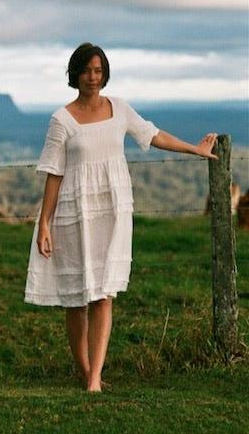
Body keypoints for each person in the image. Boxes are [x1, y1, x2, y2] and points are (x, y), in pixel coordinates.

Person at [24, 42, 218, 393]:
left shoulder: (120, 109)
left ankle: (95, 378)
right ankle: (85, 371)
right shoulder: (61, 119)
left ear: (105, 73)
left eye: (98, 71)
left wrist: (196, 149)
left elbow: (152, 135)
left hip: (112, 210)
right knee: (76, 297)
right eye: (86, 71)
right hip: (72, 211)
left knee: (103, 293)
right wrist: (45, 224)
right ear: (75, 74)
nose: (92, 77)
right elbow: (54, 172)